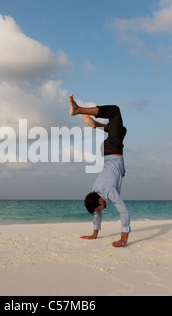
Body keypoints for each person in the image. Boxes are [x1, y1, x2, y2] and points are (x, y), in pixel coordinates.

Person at [69, 94, 130, 248]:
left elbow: (124, 211)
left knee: (115, 111)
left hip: (113, 150)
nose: (100, 211)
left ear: (101, 201)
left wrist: (124, 238)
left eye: (99, 207)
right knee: (122, 130)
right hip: (108, 151)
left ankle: (79, 110)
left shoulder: (108, 191)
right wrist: (94, 235)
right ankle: (96, 125)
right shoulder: (94, 191)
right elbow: (96, 213)